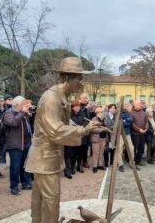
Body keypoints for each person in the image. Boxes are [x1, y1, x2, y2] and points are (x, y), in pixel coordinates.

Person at [24, 57, 101, 223]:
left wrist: (86, 126)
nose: (81, 84)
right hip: (45, 157)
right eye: (79, 79)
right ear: (70, 78)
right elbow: (55, 129)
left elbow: (66, 123)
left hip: (48, 156)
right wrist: (83, 130)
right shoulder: (51, 98)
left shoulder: (62, 96)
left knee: (40, 197)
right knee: (51, 200)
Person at [116, 103, 134, 172]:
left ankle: (132, 163)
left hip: (127, 133)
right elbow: (118, 123)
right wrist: (125, 121)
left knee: (131, 148)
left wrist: (124, 120)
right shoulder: (116, 113)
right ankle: (120, 164)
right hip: (120, 134)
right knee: (119, 149)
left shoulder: (127, 112)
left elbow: (131, 121)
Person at [130, 100, 148, 168]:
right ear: (134, 105)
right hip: (135, 134)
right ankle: (133, 162)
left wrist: (146, 128)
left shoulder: (144, 113)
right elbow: (132, 124)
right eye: (138, 104)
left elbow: (147, 122)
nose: (140, 105)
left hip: (143, 134)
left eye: (140, 104)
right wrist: (139, 129)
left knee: (141, 149)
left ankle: (138, 161)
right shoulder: (131, 113)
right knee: (134, 149)